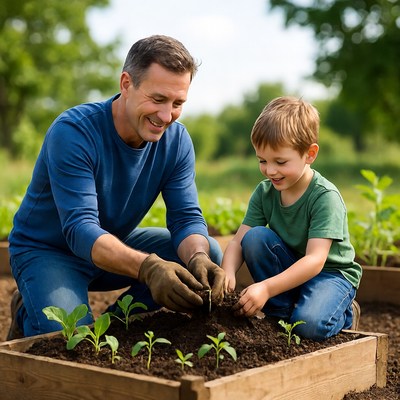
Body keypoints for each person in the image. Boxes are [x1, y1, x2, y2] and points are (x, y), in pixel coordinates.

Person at [7, 35, 225, 340]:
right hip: (49, 250)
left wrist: (199, 256)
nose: (166, 116)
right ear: (126, 84)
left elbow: (186, 217)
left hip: (113, 245)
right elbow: (80, 229)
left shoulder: (176, 141)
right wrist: (149, 268)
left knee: (207, 251)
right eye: (158, 99)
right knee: (68, 336)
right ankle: (28, 308)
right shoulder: (74, 132)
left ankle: (114, 328)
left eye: (178, 103)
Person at [222, 96, 362, 341]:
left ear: (310, 154)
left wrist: (265, 287)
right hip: (290, 267)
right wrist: (228, 273)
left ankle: (345, 311)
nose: (270, 170)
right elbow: (237, 242)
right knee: (255, 237)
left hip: (329, 274)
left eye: (280, 161)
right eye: (262, 161)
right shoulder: (265, 192)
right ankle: (283, 311)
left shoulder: (324, 197)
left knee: (309, 326)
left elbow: (315, 260)